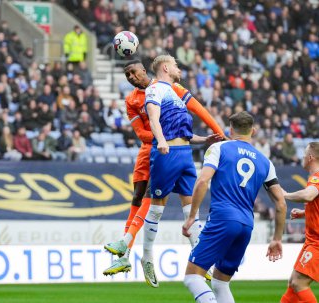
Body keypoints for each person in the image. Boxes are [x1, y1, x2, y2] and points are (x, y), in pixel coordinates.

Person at [103, 59, 225, 279]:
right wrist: (165, 138)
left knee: (165, 202)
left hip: (173, 150)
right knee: (140, 197)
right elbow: (142, 133)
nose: (131, 77)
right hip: (156, 149)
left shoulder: (170, 88)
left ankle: (132, 247)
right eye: (127, 75)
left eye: (133, 72)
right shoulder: (132, 99)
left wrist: (219, 134)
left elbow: (200, 110)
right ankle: (126, 252)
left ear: (144, 70)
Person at [182, 111, 287, 303]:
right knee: (220, 284)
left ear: (230, 130)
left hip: (223, 218)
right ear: (253, 131)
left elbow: (202, 181)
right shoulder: (265, 161)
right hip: (247, 224)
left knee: (192, 277)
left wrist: (191, 216)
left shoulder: (219, 148)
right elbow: (280, 202)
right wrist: (277, 238)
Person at [280, 142, 319, 303]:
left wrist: (286, 195)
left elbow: (309, 195)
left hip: (317, 242)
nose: (302, 157)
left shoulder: (317, 177)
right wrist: (305, 213)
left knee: (299, 283)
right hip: (312, 241)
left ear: (310, 158)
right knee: (293, 283)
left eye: (304, 154)